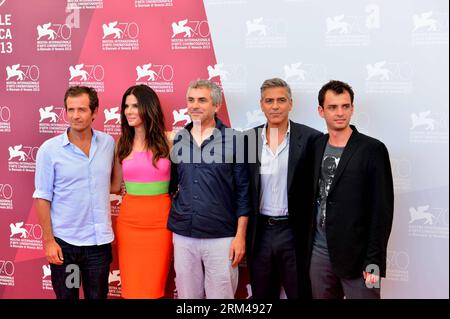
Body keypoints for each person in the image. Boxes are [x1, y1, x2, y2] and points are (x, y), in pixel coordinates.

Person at [308, 80, 394, 299]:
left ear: (352, 108)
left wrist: (374, 261)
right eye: (333, 107)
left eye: (345, 106)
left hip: (360, 255)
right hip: (319, 251)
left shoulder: (372, 149)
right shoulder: (316, 145)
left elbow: (381, 211)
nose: (340, 113)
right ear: (321, 111)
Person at [168, 79, 251, 299]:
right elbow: (173, 183)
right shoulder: (179, 139)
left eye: (202, 100)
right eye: (191, 100)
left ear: (216, 105)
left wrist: (240, 235)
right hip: (184, 234)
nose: (194, 105)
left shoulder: (236, 140)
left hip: (221, 237)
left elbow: (244, 192)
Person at [33, 86, 115, 299]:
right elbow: (42, 198)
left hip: (98, 246)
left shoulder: (108, 143)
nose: (75, 115)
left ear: (95, 112)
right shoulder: (49, 150)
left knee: (97, 297)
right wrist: (49, 241)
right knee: (68, 297)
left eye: (82, 109)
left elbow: (114, 185)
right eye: (71, 110)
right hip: (66, 247)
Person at [245, 78, 322, 299]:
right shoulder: (248, 139)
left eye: (281, 100)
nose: (275, 106)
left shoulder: (311, 139)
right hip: (260, 233)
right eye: (269, 101)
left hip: (293, 232)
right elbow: (242, 189)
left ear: (291, 103)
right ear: (261, 105)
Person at [111, 84, 172, 299]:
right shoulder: (122, 144)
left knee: (153, 288)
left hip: (161, 223)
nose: (129, 111)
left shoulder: (170, 140)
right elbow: (115, 186)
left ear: (148, 107)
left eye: (135, 105)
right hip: (130, 224)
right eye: (126, 106)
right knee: (132, 288)